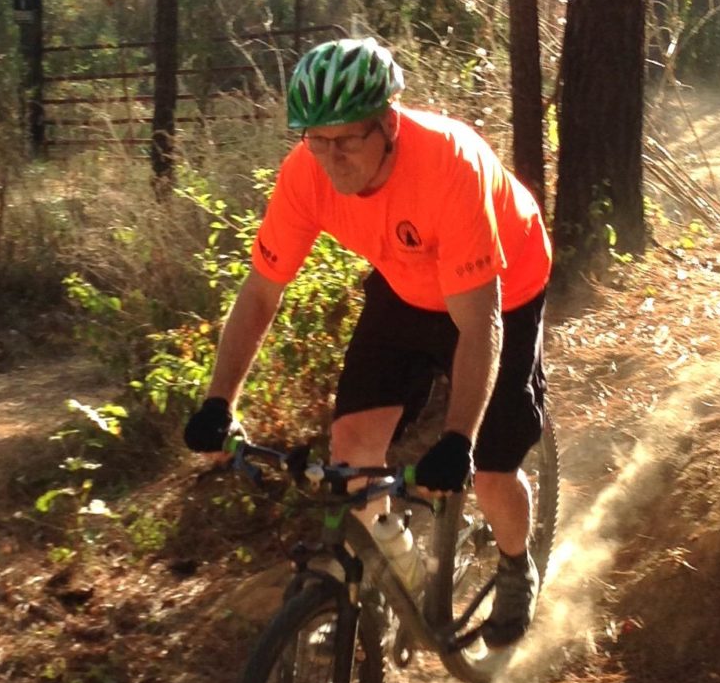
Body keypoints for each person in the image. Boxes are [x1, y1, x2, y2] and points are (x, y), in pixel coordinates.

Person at [181, 37, 551, 646]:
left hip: (502, 288)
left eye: (348, 139)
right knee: (351, 455)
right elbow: (260, 294)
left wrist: (457, 439)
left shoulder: (447, 166)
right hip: (407, 287)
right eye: (316, 140)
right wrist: (219, 401)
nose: (332, 158)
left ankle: (516, 567)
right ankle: (388, 580)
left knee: (488, 470)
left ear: (388, 123)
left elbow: (479, 321)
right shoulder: (306, 173)